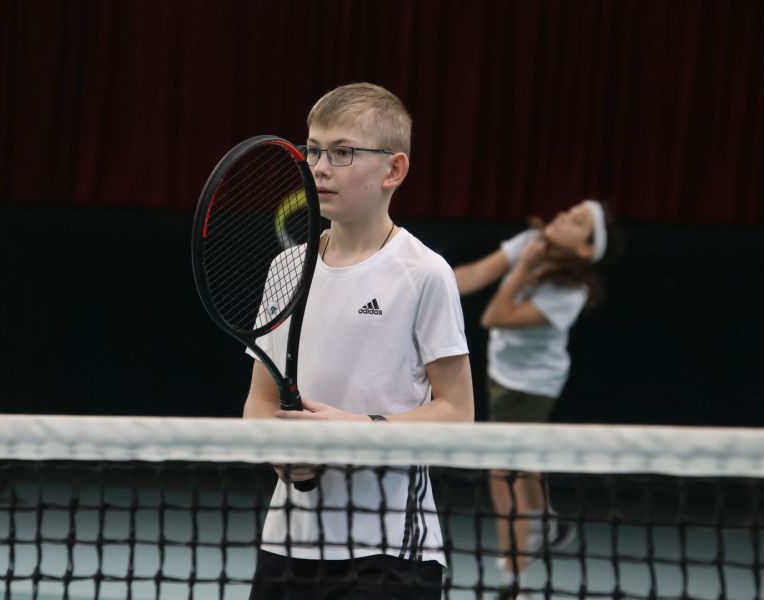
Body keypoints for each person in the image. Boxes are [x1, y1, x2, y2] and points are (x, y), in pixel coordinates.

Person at [244, 82, 474, 599]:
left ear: (393, 170)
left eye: (343, 152)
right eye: (313, 150)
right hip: (286, 547)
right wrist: (277, 451)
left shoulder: (424, 273)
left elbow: (458, 413)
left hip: (389, 551)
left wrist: (360, 431)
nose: (319, 167)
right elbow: (259, 402)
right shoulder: (286, 268)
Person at [453, 200, 621, 597]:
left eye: (577, 221)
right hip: (500, 373)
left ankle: (514, 580)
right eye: (569, 210)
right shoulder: (531, 239)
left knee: (503, 474)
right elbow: (474, 274)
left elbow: (494, 317)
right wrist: (422, 283)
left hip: (530, 388)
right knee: (524, 461)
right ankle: (547, 523)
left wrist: (524, 268)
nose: (562, 215)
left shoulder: (570, 292)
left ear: (585, 248)